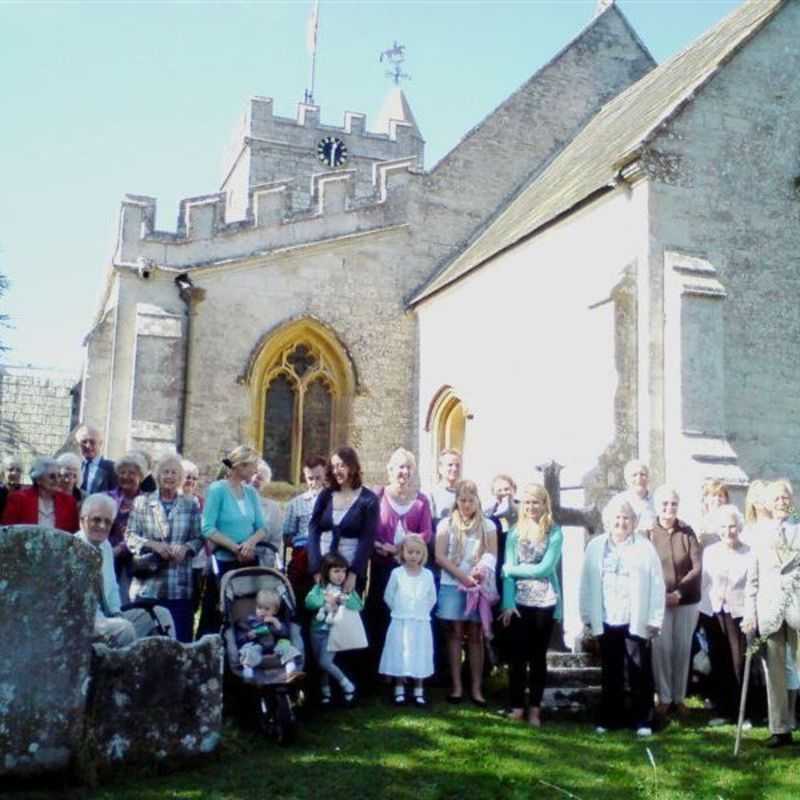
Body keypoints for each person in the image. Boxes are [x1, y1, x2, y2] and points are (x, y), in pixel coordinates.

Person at [579, 494, 664, 736]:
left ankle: (643, 720)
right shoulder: (595, 546)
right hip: (606, 615)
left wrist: (654, 619)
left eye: (627, 518)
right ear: (608, 520)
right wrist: (586, 615)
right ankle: (610, 717)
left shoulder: (645, 547)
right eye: (617, 517)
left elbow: (657, 585)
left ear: (634, 522)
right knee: (611, 669)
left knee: (638, 669)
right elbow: (586, 582)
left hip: (634, 616)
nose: (621, 522)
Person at [742, 479, 800, 748]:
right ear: (769, 503)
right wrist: (749, 613)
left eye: (785, 498)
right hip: (770, 610)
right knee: (774, 672)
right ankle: (780, 729)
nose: (781, 503)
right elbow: (752, 580)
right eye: (776, 499)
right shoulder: (760, 535)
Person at [500, 483, 563, 727]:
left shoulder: (554, 532)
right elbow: (506, 574)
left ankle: (535, 709)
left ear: (544, 504)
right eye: (527, 502)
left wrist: (513, 570)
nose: (531, 506)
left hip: (545, 602)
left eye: (536, 502)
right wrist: (507, 602)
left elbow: (545, 568)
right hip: (518, 602)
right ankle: (517, 707)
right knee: (516, 657)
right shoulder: (515, 532)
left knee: (538, 658)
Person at [368, 448, 433, 680]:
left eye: (408, 467)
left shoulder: (422, 501)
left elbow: (426, 533)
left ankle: (408, 671)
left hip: (411, 568)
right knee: (382, 612)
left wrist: (403, 547)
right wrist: (380, 546)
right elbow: (369, 529)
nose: (404, 471)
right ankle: (383, 671)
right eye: (399, 466)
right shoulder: (376, 495)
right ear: (390, 470)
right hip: (382, 566)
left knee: (407, 616)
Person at [77, 493, 174, 646]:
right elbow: (79, 608)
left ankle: (168, 663)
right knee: (124, 628)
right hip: (86, 623)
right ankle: (127, 668)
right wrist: (115, 621)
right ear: (82, 520)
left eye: (107, 522)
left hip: (109, 617)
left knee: (160, 614)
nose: (102, 526)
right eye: (96, 519)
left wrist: (117, 614)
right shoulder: (74, 549)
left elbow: (112, 588)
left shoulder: (105, 546)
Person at [126, 453, 204, 642]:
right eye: (165, 472)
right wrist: (153, 545)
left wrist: (185, 548)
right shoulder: (142, 502)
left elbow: (198, 537)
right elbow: (130, 536)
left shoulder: (190, 504)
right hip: (147, 586)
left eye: (174, 473)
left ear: (180, 478)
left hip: (178, 585)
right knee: (143, 643)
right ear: (158, 475)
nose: (169, 476)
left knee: (180, 642)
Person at [435, 479, 497, 706]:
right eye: (462, 500)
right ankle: (457, 686)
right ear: (456, 501)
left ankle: (477, 688)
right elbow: (440, 556)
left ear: (477, 501)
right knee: (454, 634)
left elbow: (491, 553)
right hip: (452, 584)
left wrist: (479, 572)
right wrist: (462, 577)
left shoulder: (487, 525)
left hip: (477, 586)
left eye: (471, 500)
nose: (467, 504)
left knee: (475, 636)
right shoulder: (446, 524)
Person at [648, 485, 702, 718]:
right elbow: (646, 568)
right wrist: (662, 594)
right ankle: (664, 697)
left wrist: (678, 593)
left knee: (682, 648)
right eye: (664, 504)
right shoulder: (648, 533)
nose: (669, 508)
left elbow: (697, 567)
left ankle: (679, 698)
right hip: (658, 602)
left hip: (686, 601)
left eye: (673, 504)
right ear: (657, 506)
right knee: (661, 649)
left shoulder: (687, 532)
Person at [702, 504, 752, 725]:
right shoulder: (710, 552)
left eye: (732, 526)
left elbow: (753, 586)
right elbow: (705, 584)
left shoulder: (749, 552)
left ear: (739, 527)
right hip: (715, 612)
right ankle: (722, 711)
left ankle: (742, 713)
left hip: (739, 613)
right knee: (719, 660)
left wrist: (752, 615)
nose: (728, 531)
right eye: (723, 526)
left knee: (738, 663)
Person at [308, 446, 379, 594]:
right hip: (324, 566)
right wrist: (316, 569)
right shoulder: (326, 495)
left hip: (350, 568)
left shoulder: (369, 500)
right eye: (333, 466)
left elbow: (367, 539)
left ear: (352, 466)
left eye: (341, 465)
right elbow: (313, 529)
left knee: (348, 613)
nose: (336, 471)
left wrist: (353, 574)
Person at [379, 533, 437, 706]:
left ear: (423, 554)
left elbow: (431, 598)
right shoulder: (397, 573)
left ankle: (419, 690)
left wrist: (420, 611)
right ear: (403, 553)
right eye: (410, 552)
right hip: (400, 620)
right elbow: (388, 596)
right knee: (399, 653)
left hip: (420, 622)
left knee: (419, 653)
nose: (413, 556)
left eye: (417, 553)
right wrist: (399, 610)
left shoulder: (427, 575)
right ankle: (399, 689)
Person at [305, 552, 362, 705]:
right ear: (326, 571)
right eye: (336, 571)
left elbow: (358, 605)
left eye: (343, 571)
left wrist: (344, 599)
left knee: (325, 661)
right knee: (320, 663)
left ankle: (347, 685)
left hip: (333, 631)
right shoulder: (319, 587)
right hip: (316, 630)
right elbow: (309, 602)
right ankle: (326, 692)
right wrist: (325, 599)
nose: (340, 575)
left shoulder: (346, 588)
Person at [283, 455, 327, 601]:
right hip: (302, 556)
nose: (314, 483)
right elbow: (287, 535)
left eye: (318, 478)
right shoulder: (295, 503)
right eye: (310, 478)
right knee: (300, 595)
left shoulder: (334, 500)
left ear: (326, 476)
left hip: (326, 556)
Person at [107, 452, 148, 604]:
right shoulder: (108, 497)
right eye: (122, 472)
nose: (126, 476)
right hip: (109, 558)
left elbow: (146, 532)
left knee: (128, 602)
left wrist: (121, 548)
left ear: (140, 476)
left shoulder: (147, 502)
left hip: (135, 562)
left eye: (132, 473)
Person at [236, 588, 302, 679]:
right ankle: (247, 669)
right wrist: (249, 635)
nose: (262, 611)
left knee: (286, 646)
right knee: (249, 650)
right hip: (258, 645)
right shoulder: (251, 621)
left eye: (267, 609)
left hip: (275, 644)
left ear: (274, 611)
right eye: (259, 608)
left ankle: (290, 666)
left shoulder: (277, 621)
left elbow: (286, 633)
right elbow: (240, 636)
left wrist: (276, 623)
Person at [2, 456, 79, 532]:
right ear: (38, 479)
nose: (57, 480)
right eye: (52, 476)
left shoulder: (69, 502)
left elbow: (73, 534)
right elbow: (8, 531)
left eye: (59, 476)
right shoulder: (18, 499)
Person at [181, 459, 207, 616]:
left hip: (198, 561)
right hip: (177, 561)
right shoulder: (172, 500)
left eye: (194, 478)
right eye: (187, 476)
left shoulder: (202, 502)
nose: (190, 481)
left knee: (193, 604)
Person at [251, 459, 284, 560]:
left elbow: (276, 541)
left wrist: (265, 565)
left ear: (265, 484)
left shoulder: (273, 508)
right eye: (252, 474)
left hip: (261, 562)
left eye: (260, 479)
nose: (254, 480)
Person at [616, 459, 656, 534]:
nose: (639, 478)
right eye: (634, 475)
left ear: (648, 478)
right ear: (627, 479)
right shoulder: (619, 501)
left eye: (643, 474)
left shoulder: (657, 501)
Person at [76, 424, 117, 493]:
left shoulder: (112, 468)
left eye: (92, 442)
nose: (88, 446)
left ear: (100, 444)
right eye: (84, 442)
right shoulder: (76, 467)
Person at [430, 449, 462, 528]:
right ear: (440, 468)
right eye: (450, 465)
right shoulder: (432, 495)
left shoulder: (465, 493)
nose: (454, 469)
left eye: (457, 465)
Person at [697, 480, 730, 549]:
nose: (717, 499)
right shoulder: (699, 523)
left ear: (726, 499)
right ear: (706, 499)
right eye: (714, 495)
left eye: (720, 496)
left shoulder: (733, 520)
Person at [741, 479, 771, 547]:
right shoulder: (747, 531)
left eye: (764, 494)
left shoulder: (782, 525)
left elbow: (795, 513)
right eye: (757, 495)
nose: (760, 499)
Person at [0, 455, 24, 519]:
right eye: (10, 469)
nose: (14, 473)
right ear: (3, 473)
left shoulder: (24, 494)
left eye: (18, 470)